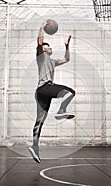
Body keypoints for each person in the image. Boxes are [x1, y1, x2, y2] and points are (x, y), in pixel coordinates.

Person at [28, 21, 76, 163]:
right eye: (47, 46)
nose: (50, 47)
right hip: (44, 87)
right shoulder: (41, 57)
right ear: (43, 49)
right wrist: (41, 27)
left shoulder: (52, 61)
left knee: (39, 121)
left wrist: (67, 47)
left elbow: (67, 59)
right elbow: (39, 42)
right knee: (69, 92)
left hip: (41, 93)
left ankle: (34, 148)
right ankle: (61, 110)